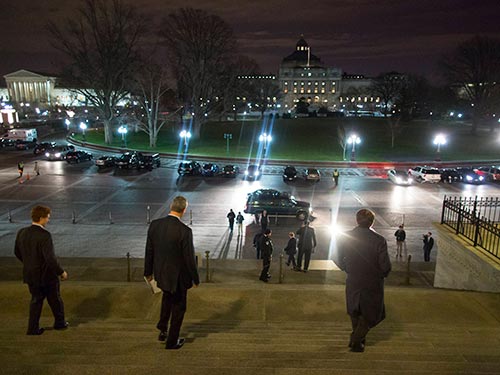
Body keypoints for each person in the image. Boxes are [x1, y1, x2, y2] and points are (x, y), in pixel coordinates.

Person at [144, 196, 200, 350]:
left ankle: (163, 328)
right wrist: (195, 279)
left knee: (167, 298)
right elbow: (189, 258)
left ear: (171, 207)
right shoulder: (185, 231)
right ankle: (172, 341)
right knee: (179, 308)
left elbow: (149, 251)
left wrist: (148, 272)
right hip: (178, 278)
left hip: (161, 274)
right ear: (183, 210)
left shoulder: (155, 225)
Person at [336, 209, 391, 353]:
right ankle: (356, 340)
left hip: (354, 278)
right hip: (372, 281)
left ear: (357, 220)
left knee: (355, 310)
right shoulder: (379, 240)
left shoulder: (346, 236)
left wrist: (346, 268)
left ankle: (358, 341)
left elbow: (337, 256)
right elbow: (385, 265)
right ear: (372, 222)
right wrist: (382, 274)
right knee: (372, 312)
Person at [14, 205, 69, 335]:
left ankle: (32, 328)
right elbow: (50, 258)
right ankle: (60, 323)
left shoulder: (22, 232)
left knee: (36, 300)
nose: (48, 220)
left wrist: (29, 263)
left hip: (30, 275)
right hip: (46, 276)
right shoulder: (45, 235)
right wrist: (61, 272)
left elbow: (16, 252)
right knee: (55, 299)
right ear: (41, 218)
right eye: (47, 218)